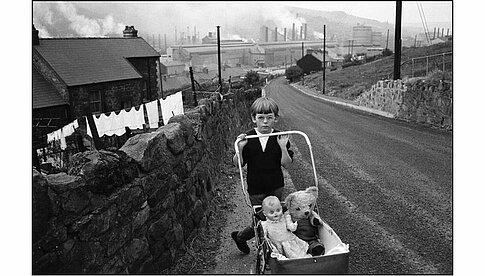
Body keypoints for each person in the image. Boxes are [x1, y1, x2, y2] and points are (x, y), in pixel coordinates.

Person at [231, 96, 294, 254]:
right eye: (261, 118)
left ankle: (275, 250)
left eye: (269, 118)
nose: (265, 122)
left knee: (277, 218)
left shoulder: (280, 137)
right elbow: (238, 163)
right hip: (256, 187)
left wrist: (283, 147)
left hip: (276, 185)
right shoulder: (248, 137)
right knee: (261, 220)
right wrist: (239, 149)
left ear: (275, 118)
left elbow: (286, 163)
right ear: (254, 119)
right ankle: (242, 237)